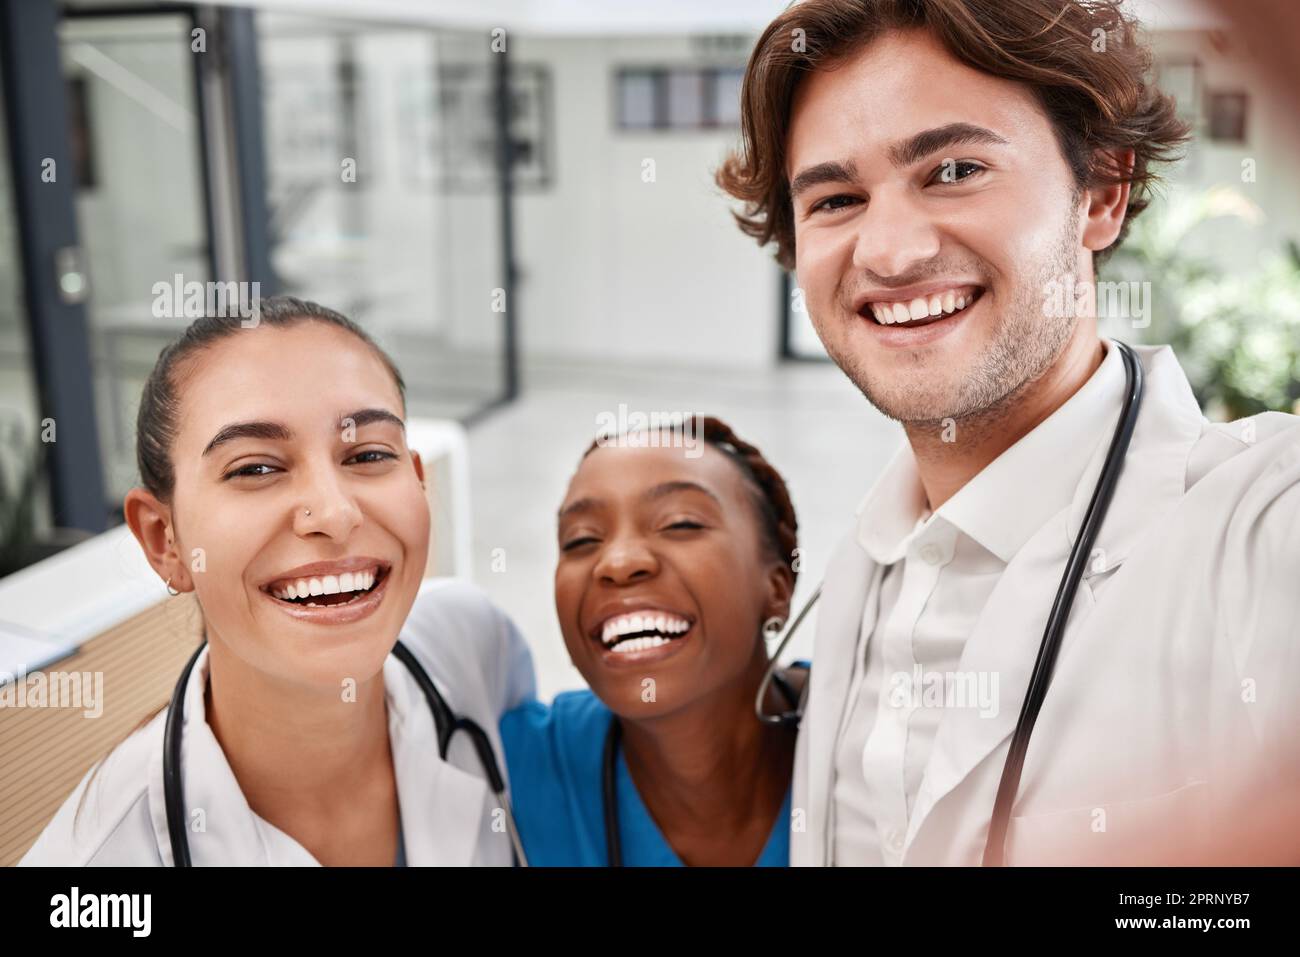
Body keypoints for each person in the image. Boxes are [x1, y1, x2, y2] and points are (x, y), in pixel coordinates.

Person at [717, 0, 1300, 865]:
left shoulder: (1258, 524)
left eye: (953, 170)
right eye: (837, 198)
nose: (890, 252)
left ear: (1102, 192)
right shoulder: (862, 571)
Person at [21, 297, 534, 866]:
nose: (334, 513)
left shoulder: (472, 640)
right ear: (164, 539)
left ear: (417, 481)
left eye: (367, 454)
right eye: (255, 468)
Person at [499, 418, 805, 866]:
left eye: (680, 524)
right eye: (581, 539)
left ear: (776, 588)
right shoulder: (509, 769)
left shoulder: (873, 739)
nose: (618, 562)